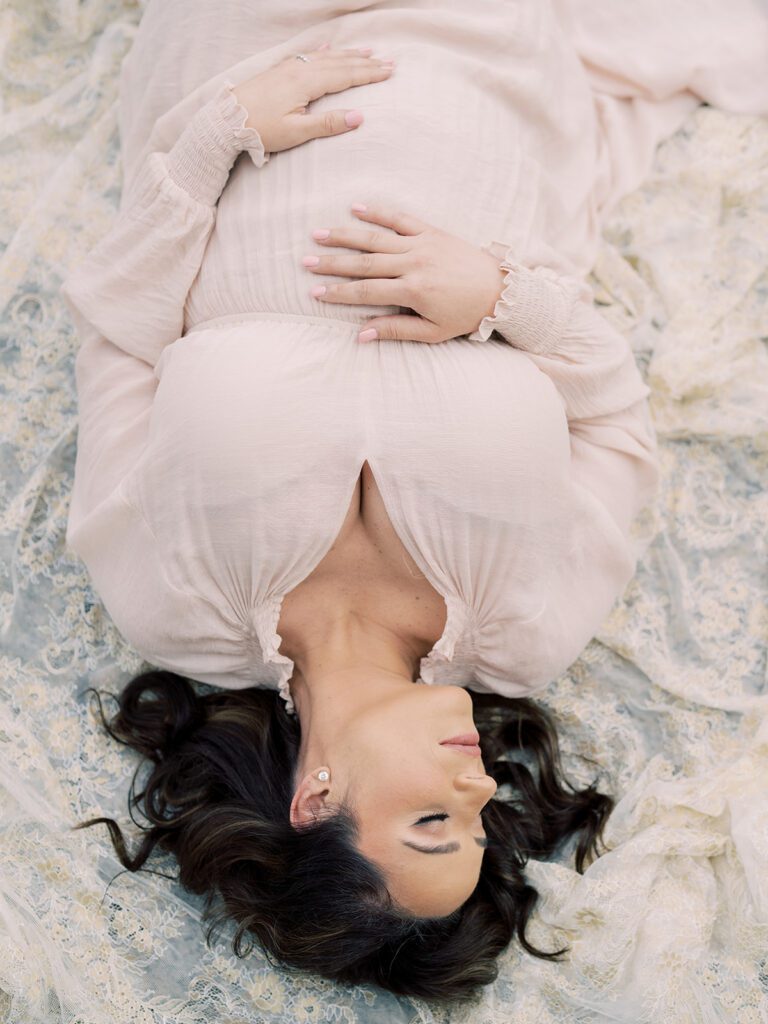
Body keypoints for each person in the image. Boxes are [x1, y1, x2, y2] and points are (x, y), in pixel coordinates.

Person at [61, 0, 768, 1002]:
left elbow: (120, 334)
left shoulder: (171, 606)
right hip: (496, 82)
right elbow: (615, 423)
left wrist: (217, 130)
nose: (479, 784)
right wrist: (501, 300)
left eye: (432, 820)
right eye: (478, 818)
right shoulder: (524, 630)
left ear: (317, 795)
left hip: (253, 58)